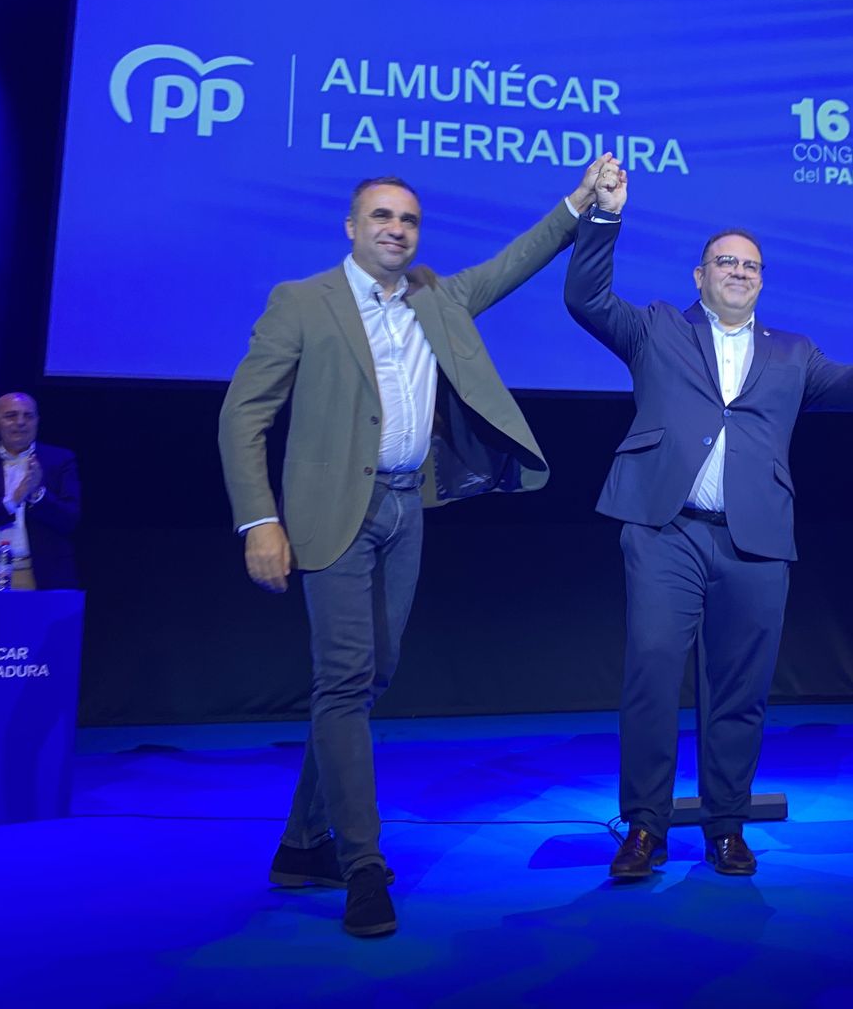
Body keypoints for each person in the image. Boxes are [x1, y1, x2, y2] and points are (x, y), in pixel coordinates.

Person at [218, 161, 605, 937]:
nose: (396, 229)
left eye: (409, 220)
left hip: (405, 508)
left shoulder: (437, 296)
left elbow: (515, 261)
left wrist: (580, 203)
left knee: (372, 677)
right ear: (352, 227)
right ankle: (364, 866)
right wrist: (258, 521)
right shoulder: (302, 302)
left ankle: (301, 846)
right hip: (331, 515)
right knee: (344, 679)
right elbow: (241, 415)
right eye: (382, 217)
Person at [564, 166, 853, 880]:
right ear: (699, 275)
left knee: (740, 689)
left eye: (750, 266)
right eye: (725, 263)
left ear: (762, 282)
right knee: (651, 673)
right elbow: (584, 297)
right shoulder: (656, 329)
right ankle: (644, 829)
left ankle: (726, 826)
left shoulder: (792, 353)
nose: (738, 272)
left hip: (755, 539)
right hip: (663, 529)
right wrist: (603, 217)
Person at [0, 393, 81, 590]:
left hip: (41, 578)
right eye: (11, 416)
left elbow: (70, 520)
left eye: (28, 416)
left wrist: (37, 494)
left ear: (37, 421)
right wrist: (11, 502)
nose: (20, 422)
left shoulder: (60, 460)